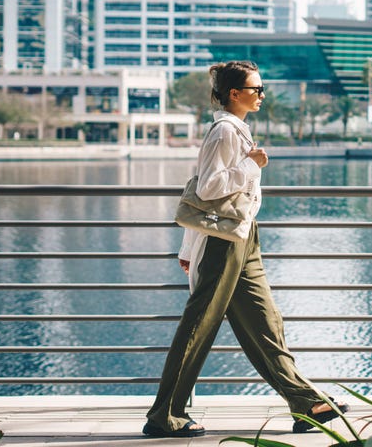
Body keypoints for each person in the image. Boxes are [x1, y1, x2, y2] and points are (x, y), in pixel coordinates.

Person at [143, 60, 347, 438]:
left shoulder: (237, 129)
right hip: (223, 243)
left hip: (243, 236)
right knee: (199, 326)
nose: (262, 95)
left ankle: (305, 403)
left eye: (261, 88)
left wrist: (188, 247)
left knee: (265, 322)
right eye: (256, 89)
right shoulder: (224, 132)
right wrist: (252, 166)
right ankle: (164, 416)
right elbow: (207, 189)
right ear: (234, 94)